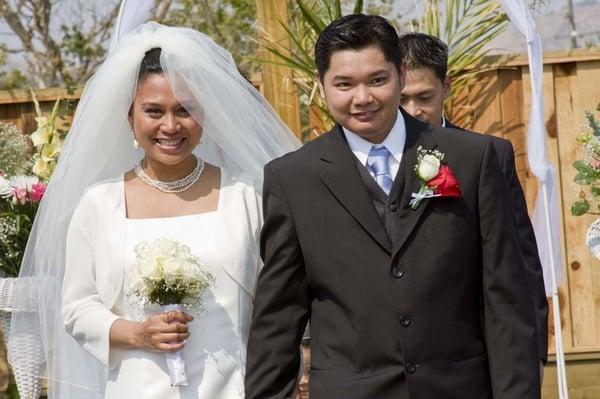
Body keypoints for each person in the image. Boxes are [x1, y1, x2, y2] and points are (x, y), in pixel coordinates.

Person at [245, 14, 540, 399]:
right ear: (321, 85)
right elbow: (278, 318)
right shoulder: (292, 179)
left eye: (377, 80)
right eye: (344, 84)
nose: (362, 98)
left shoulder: (474, 159)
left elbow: (508, 302)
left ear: (400, 73)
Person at [8, 22, 298, 399]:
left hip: (237, 388)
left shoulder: (246, 194)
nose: (170, 125)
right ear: (131, 117)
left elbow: (278, 304)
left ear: (204, 115)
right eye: (154, 111)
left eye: (185, 110)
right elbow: (78, 307)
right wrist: (138, 333)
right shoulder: (100, 204)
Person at [398, 32, 548, 370]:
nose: (413, 110)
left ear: (446, 86)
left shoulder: (488, 155)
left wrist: (533, 354)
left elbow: (522, 264)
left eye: (424, 97)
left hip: (472, 354)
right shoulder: (372, 163)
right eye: (403, 98)